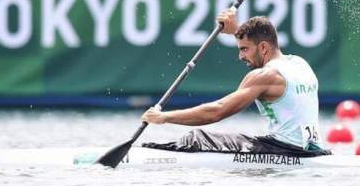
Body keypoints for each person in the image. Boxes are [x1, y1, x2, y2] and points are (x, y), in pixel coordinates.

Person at [141, 8, 331, 157]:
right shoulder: (300, 64)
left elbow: (216, 112)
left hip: (285, 150)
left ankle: (148, 153)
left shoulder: (264, 76)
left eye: (244, 49)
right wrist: (236, 30)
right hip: (312, 149)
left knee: (197, 138)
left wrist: (164, 117)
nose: (240, 56)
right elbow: (255, 44)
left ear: (263, 48)